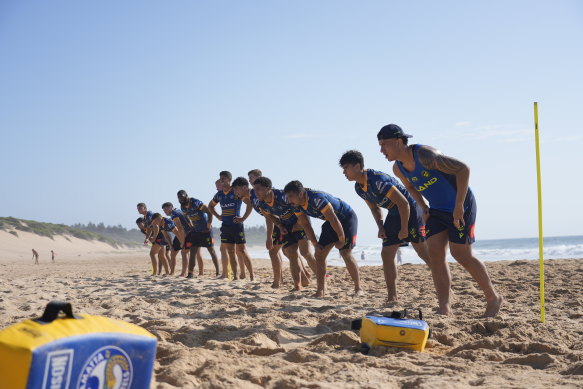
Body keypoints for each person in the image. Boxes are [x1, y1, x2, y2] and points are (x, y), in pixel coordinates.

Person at [378, 123, 503, 317]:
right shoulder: (398, 169)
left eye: (384, 144)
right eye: (380, 145)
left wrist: (459, 206)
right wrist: (423, 206)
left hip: (461, 205)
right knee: (435, 253)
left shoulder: (425, 156)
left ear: (399, 141)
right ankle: (444, 307)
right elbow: (411, 187)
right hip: (436, 210)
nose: (381, 150)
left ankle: (493, 298)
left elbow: (463, 170)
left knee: (461, 254)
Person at [339, 149, 431, 302]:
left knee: (422, 252)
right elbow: (374, 208)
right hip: (394, 212)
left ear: (357, 166)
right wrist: (380, 226)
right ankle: (392, 298)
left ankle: (446, 288)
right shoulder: (358, 187)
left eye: (346, 168)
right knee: (386, 254)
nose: (344, 172)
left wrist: (404, 229)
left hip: (412, 210)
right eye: (343, 169)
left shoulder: (377, 181)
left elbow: (404, 203)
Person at [284, 180, 363, 297]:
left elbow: (334, 219)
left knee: (345, 253)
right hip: (330, 222)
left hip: (346, 218)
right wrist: (315, 244)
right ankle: (320, 291)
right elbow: (306, 225)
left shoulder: (317, 198)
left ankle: (358, 288)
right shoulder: (296, 205)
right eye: (287, 197)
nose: (289, 200)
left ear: (300, 194)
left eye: (291, 196)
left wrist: (341, 239)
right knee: (319, 254)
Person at [208, 171, 254, 280]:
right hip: (225, 226)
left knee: (242, 250)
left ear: (229, 179)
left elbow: (249, 204)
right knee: (231, 252)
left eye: (224, 178)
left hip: (237, 226)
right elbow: (210, 206)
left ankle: (252, 276)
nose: (221, 180)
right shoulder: (219, 194)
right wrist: (218, 216)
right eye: (220, 178)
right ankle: (235, 277)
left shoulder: (235, 192)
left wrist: (243, 218)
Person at [177, 190, 220, 277]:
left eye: (182, 197)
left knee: (211, 250)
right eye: (179, 198)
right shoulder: (182, 207)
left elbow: (209, 212)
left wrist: (208, 227)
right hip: (196, 231)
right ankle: (190, 273)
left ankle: (218, 272)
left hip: (206, 230)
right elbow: (185, 216)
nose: (181, 199)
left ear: (186, 196)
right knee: (193, 251)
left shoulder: (195, 202)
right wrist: (190, 225)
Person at [162, 202, 192, 276]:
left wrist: (182, 242)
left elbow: (180, 228)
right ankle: (173, 272)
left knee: (184, 252)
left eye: (166, 209)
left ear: (171, 207)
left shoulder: (174, 214)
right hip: (183, 233)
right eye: (164, 210)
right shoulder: (177, 210)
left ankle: (184, 273)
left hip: (188, 233)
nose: (165, 211)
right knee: (175, 253)